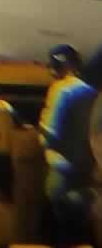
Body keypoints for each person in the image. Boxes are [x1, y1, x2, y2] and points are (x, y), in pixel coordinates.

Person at [38, 44, 98, 246]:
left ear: (55, 68)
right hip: (89, 171)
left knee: (61, 225)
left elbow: (50, 132)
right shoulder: (92, 92)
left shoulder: (61, 90)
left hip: (63, 172)